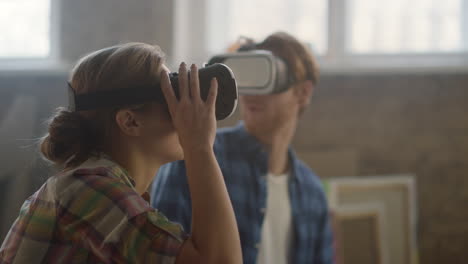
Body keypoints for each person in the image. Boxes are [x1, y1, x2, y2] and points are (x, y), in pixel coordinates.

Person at [0, 43, 242, 264]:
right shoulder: (86, 189)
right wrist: (199, 146)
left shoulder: (100, 186)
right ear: (130, 121)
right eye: (171, 99)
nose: (185, 111)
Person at [151, 32, 335, 264]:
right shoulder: (195, 157)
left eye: (265, 75)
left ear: (302, 92)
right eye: (245, 76)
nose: (250, 91)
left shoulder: (313, 193)